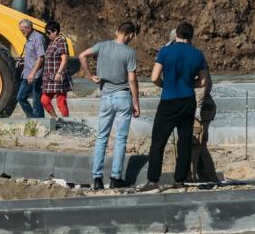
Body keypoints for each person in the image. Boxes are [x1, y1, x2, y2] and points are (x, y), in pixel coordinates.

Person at [144, 21, 210, 191]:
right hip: (188, 100)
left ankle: (153, 181)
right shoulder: (197, 54)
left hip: (168, 99)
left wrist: (164, 85)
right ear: (191, 36)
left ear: (177, 35)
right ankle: (180, 180)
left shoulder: (165, 52)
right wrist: (189, 84)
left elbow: (154, 77)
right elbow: (203, 81)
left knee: (158, 141)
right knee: (185, 141)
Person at [79, 22, 141, 190]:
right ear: (131, 35)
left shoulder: (102, 46)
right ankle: (115, 178)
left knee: (102, 138)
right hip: (122, 96)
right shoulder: (129, 52)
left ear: (116, 31)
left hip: (106, 96)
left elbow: (82, 55)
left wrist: (89, 75)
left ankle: (97, 179)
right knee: (120, 139)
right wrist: (136, 102)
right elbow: (132, 80)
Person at [39, 20, 70, 119]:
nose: (48, 35)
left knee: (61, 101)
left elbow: (64, 59)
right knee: (44, 100)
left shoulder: (61, 41)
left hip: (58, 76)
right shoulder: (52, 43)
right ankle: (56, 119)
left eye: (48, 32)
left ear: (55, 31)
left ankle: (66, 122)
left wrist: (59, 73)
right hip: (49, 78)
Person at [17, 19, 46, 119]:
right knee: (20, 97)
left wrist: (33, 73)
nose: (21, 32)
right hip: (27, 74)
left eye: (22, 30)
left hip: (36, 75)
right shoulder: (28, 39)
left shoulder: (38, 38)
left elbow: (41, 57)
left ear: (28, 28)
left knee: (37, 101)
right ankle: (32, 119)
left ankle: (39, 122)